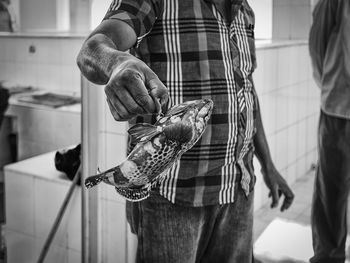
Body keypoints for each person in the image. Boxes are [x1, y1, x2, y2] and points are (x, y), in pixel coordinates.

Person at [77, 0, 294, 262]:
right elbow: (92, 49)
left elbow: (245, 91)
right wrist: (117, 64)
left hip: (238, 189)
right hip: (172, 198)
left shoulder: (244, 10)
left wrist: (267, 165)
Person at [309, 0, 350, 262]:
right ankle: (328, 258)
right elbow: (318, 47)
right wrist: (332, 83)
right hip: (340, 109)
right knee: (331, 196)